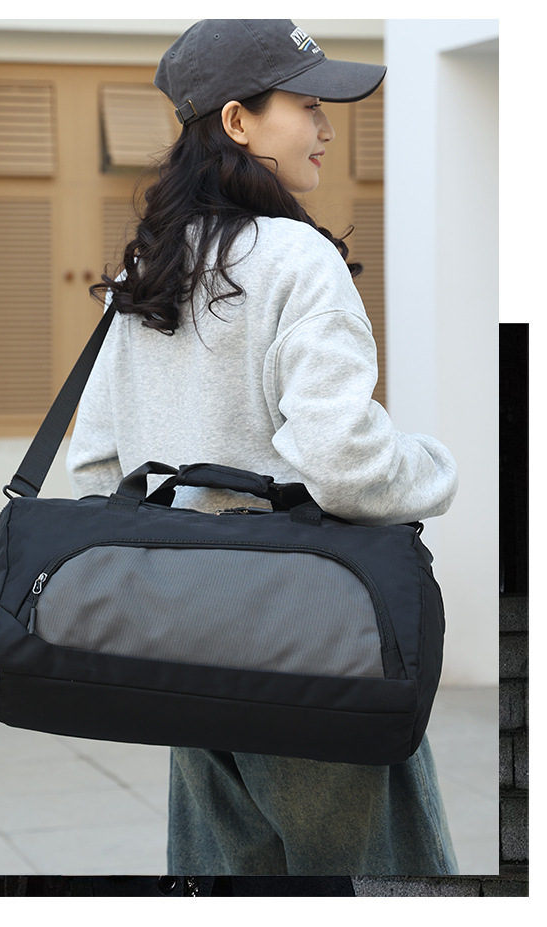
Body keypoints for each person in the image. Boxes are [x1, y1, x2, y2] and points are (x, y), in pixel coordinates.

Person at [66, 19, 459, 877]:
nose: (326, 128)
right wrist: (433, 468)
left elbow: (93, 470)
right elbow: (343, 462)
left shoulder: (146, 274)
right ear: (238, 121)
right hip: (307, 646)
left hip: (181, 652)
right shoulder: (297, 259)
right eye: (308, 106)